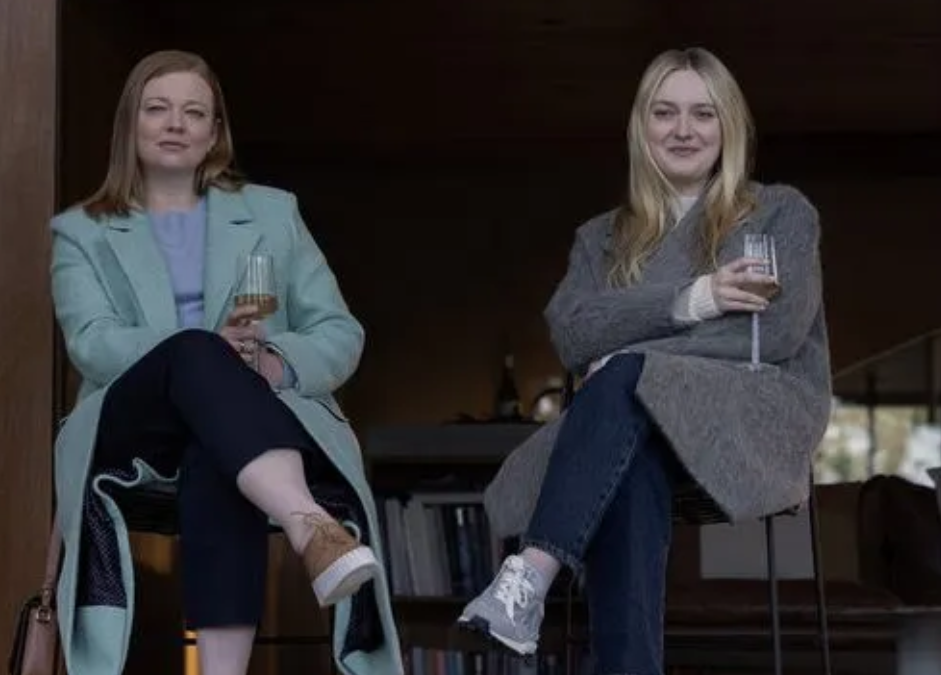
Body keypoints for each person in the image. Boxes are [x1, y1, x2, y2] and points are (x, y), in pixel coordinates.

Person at [459, 47, 832, 675]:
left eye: (703, 114)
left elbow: (775, 333)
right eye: (665, 113)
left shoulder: (779, 212)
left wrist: (629, 352)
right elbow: (573, 332)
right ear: (642, 126)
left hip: (755, 417)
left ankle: (532, 571)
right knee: (631, 441)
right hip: (634, 434)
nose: (684, 130)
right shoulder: (602, 237)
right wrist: (697, 298)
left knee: (627, 377)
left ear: (729, 127)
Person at [50, 50, 402, 675]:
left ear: (215, 132)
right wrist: (209, 349)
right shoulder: (83, 231)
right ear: (130, 124)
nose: (175, 124)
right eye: (157, 109)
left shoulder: (273, 213)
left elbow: (339, 332)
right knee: (196, 353)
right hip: (134, 422)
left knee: (220, 445)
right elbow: (93, 343)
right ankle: (310, 525)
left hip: (243, 419)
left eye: (194, 112)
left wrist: (271, 361)